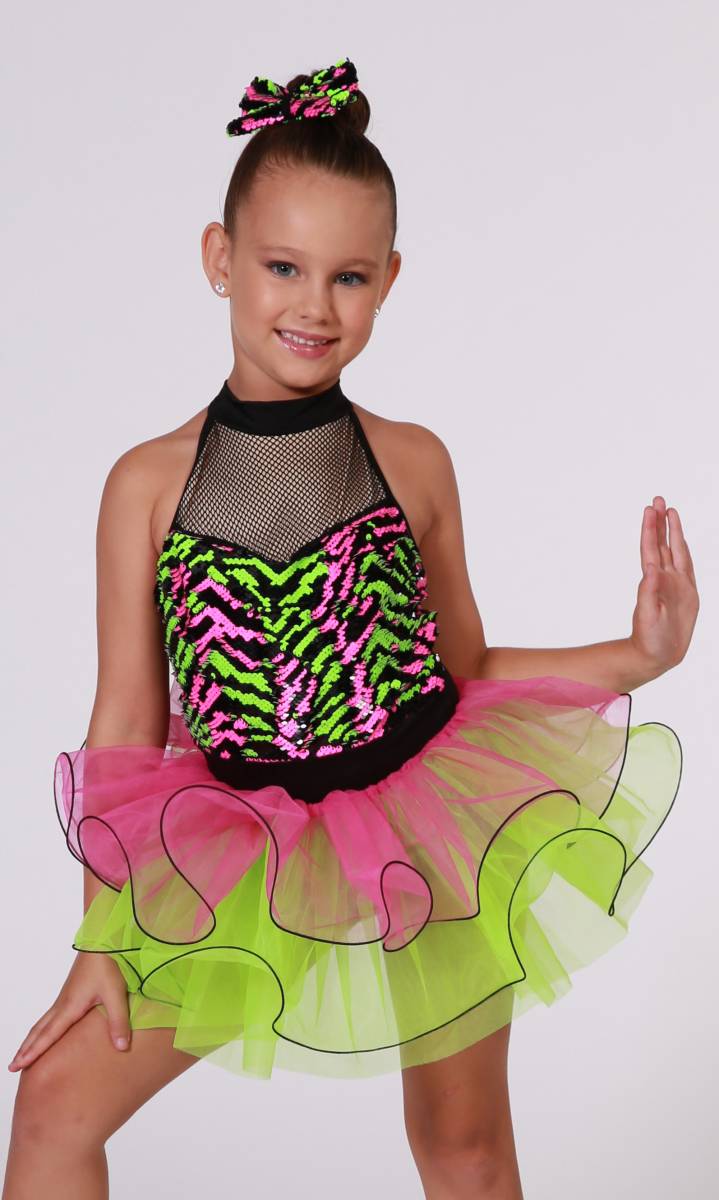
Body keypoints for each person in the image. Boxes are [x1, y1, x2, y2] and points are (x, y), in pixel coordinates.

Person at [3, 56, 698, 1200]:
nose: (313, 307)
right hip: (237, 844)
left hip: (426, 830)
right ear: (220, 259)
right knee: (51, 1110)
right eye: (281, 266)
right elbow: (125, 723)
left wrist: (643, 655)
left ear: (388, 281)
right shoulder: (146, 487)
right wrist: (101, 939)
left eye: (348, 277)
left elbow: (464, 669)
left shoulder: (411, 463)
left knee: (462, 1148)